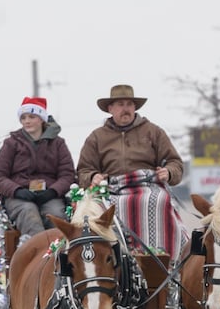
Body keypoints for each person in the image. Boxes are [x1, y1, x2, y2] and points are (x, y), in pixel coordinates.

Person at [77, 84, 186, 255]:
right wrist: (93, 177)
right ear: (110, 109)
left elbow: (175, 162)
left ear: (135, 107)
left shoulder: (153, 132)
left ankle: (162, 259)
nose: (125, 109)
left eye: (129, 104)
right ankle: (111, 259)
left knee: (159, 201)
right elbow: (83, 170)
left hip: (147, 186)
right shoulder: (96, 137)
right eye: (120, 105)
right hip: (112, 189)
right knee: (98, 210)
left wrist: (169, 172)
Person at [0, 97, 76, 238]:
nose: (26, 121)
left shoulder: (58, 144)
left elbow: (67, 174)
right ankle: (39, 253)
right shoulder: (11, 143)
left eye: (31, 116)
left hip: (49, 195)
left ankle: (60, 253)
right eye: (23, 118)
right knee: (29, 213)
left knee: (56, 215)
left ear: (42, 119)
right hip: (19, 196)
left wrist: (53, 191)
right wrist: (17, 191)